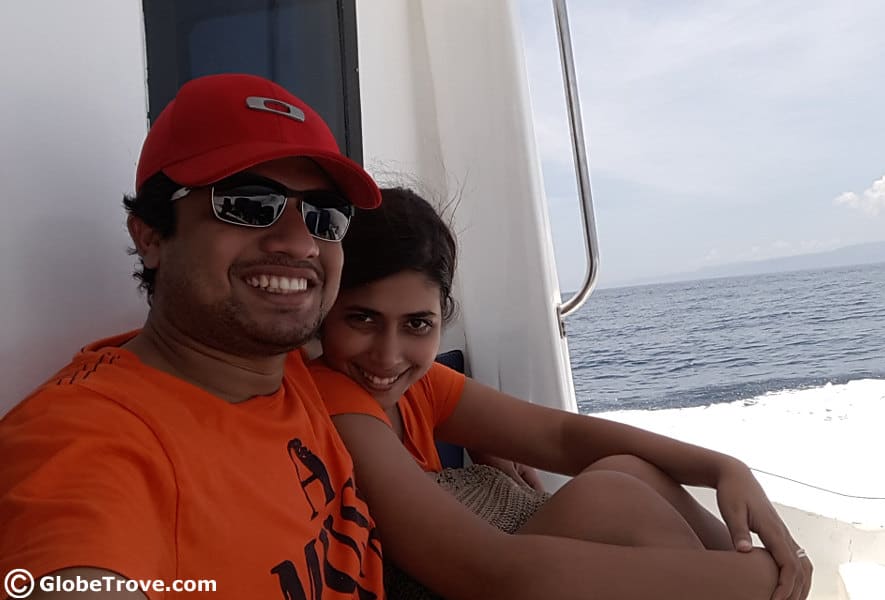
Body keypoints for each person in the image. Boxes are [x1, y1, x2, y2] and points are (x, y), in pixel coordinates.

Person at [308, 187, 814, 600]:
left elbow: (560, 435)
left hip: (500, 563)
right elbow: (495, 576)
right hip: (476, 580)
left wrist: (722, 467)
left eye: (417, 324)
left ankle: (770, 573)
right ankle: (771, 581)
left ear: (442, 318)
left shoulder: (413, 387)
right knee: (612, 498)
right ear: (325, 309)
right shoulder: (337, 400)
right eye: (363, 318)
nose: (388, 354)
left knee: (629, 469)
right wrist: (751, 581)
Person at [0, 74, 386, 599]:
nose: (301, 244)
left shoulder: (286, 364)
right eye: (248, 203)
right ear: (152, 236)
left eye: (324, 216)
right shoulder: (89, 440)